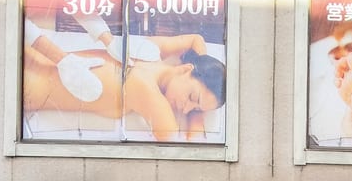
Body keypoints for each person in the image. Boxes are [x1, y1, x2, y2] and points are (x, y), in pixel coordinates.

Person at [21, 23, 225, 142]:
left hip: (28, 55)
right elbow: (185, 153)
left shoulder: (150, 50)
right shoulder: (149, 95)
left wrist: (201, 100)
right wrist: (198, 118)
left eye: (193, 109)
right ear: (185, 69)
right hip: (24, 88)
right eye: (191, 98)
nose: (186, 109)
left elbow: (195, 39)